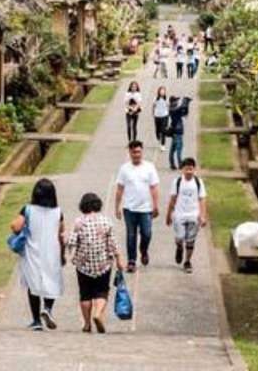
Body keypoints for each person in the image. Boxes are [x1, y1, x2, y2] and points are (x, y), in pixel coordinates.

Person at [11, 178, 65, 331]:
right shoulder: (58, 212)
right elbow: (61, 234)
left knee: (33, 283)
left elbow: (16, 227)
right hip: (52, 251)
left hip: (33, 251)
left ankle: (36, 321)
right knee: (52, 280)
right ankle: (47, 308)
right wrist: (62, 255)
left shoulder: (27, 209)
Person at [67, 193, 125, 333]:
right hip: (103, 264)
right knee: (102, 291)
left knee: (85, 294)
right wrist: (119, 259)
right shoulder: (106, 221)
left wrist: (70, 255)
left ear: (83, 206)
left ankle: (87, 324)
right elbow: (112, 243)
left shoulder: (79, 222)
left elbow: (72, 242)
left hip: (83, 265)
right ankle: (98, 313)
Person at [114, 141, 160, 271]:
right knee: (131, 235)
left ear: (142, 152)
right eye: (134, 152)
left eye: (139, 152)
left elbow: (154, 187)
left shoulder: (149, 167)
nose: (137, 155)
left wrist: (156, 205)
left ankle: (143, 250)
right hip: (129, 208)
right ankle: (131, 261)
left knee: (147, 233)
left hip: (146, 208)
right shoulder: (124, 169)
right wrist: (117, 207)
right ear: (130, 152)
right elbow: (119, 188)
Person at [165, 158, 207, 273]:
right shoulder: (177, 182)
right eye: (186, 169)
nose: (189, 172)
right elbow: (173, 199)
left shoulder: (198, 182)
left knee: (190, 241)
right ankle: (179, 247)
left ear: (194, 169)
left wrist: (203, 216)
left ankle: (187, 261)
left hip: (194, 216)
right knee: (180, 237)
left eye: (191, 169)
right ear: (182, 170)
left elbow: (202, 199)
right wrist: (168, 215)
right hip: (179, 215)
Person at [168, 96, 191, 170]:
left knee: (173, 149)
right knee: (179, 150)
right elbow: (181, 108)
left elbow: (185, 113)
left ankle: (172, 164)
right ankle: (180, 164)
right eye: (176, 101)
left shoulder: (175, 110)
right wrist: (185, 101)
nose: (177, 102)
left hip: (176, 133)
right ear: (172, 102)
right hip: (178, 133)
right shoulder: (172, 109)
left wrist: (187, 105)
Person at [153, 86, 169, 152]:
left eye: (163, 91)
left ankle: (163, 145)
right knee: (157, 130)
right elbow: (153, 106)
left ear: (165, 92)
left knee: (163, 131)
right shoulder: (155, 98)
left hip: (164, 116)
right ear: (159, 92)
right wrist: (153, 114)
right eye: (161, 91)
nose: (162, 92)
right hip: (157, 116)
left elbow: (168, 107)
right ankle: (158, 137)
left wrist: (168, 116)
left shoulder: (167, 99)